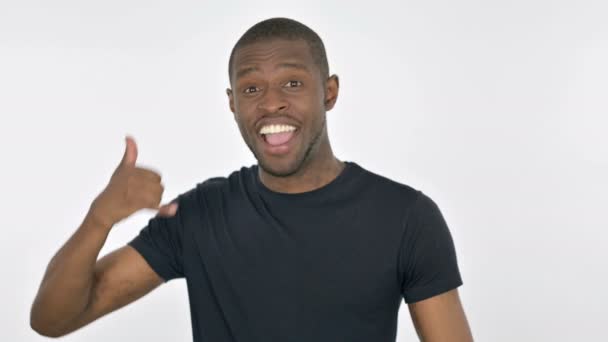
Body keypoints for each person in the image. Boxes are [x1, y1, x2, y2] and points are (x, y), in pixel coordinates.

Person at [30, 17, 473, 341]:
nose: (271, 104)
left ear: (330, 92)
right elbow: (53, 320)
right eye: (251, 89)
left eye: (293, 84)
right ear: (232, 104)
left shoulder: (404, 217)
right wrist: (98, 220)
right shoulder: (199, 215)